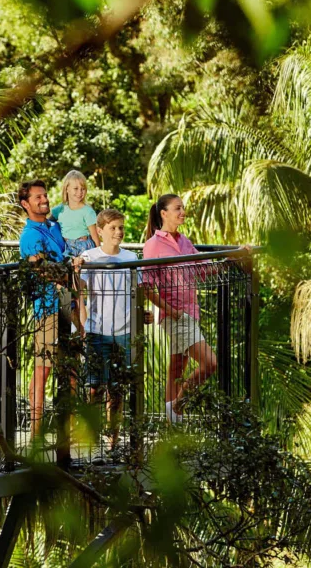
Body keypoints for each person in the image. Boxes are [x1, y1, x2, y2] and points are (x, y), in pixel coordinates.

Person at [141, 194, 218, 421]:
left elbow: (204, 269)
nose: (182, 212)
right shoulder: (153, 245)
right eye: (178, 208)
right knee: (210, 364)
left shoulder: (184, 241)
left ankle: (171, 424)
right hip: (175, 316)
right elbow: (147, 287)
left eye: (183, 208)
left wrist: (235, 257)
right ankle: (177, 407)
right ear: (164, 213)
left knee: (176, 369)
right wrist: (172, 312)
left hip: (191, 312)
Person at [17, 179, 82, 440]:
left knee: (72, 369)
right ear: (25, 204)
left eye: (45, 196)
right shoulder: (30, 236)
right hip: (48, 309)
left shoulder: (54, 227)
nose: (44, 201)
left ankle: (70, 430)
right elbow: (41, 269)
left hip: (70, 305)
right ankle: (35, 434)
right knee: (43, 369)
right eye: (37, 198)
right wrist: (69, 271)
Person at [78, 208, 138, 449]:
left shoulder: (131, 258)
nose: (118, 232)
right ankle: (91, 436)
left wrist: (140, 314)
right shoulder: (89, 257)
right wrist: (76, 268)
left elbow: (138, 290)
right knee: (94, 386)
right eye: (113, 228)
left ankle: (112, 438)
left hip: (123, 330)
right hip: (97, 329)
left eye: (121, 227)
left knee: (117, 388)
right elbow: (79, 289)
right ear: (100, 231)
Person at [50, 170, 100, 257]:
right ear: (67, 189)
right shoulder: (60, 209)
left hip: (85, 247)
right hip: (66, 247)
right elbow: (46, 223)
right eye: (76, 188)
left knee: (84, 270)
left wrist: (99, 257)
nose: (80, 192)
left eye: (83, 189)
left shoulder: (88, 211)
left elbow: (95, 237)